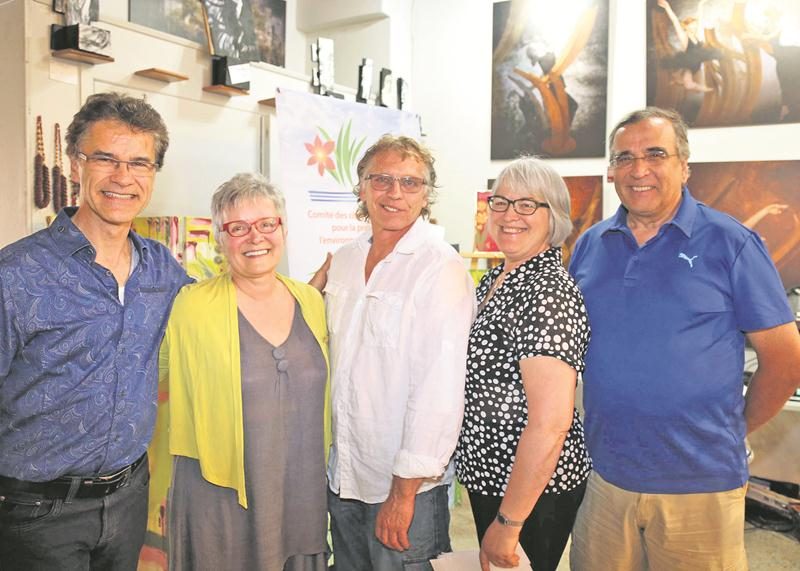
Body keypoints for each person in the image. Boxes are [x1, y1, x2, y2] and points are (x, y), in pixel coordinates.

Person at [568, 107, 800, 570]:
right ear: (612, 170)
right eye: (625, 157)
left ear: (683, 165)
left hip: (700, 485)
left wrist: (736, 427)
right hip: (604, 479)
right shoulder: (590, 245)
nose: (639, 169)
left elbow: (786, 358)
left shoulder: (731, 243)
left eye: (655, 154)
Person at [0, 92, 190, 570]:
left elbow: (221, 312)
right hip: (35, 512)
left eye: (139, 163)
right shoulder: (17, 273)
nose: (123, 177)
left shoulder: (161, 269)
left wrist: (301, 295)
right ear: (74, 164)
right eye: (105, 158)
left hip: (129, 502)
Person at [157, 173, 330, 570]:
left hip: (299, 497)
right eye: (238, 227)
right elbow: (142, 376)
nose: (255, 237)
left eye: (266, 224)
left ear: (282, 229)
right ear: (221, 237)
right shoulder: (190, 307)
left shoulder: (311, 301)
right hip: (218, 498)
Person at [324, 135, 475, 570]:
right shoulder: (346, 260)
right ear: (362, 187)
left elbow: (439, 388)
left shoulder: (439, 266)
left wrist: (404, 492)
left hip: (404, 488)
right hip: (345, 476)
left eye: (410, 183)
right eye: (383, 180)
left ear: (427, 194)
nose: (395, 193)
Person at [456, 157, 592, 571]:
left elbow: (550, 423)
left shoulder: (547, 293)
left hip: (531, 492)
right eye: (500, 202)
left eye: (527, 205)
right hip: (492, 477)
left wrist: (509, 521)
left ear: (554, 217)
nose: (510, 215)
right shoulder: (497, 278)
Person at [657, 0, 721, 93]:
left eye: (695, 25)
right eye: (693, 25)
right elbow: (675, 21)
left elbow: (700, 18)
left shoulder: (697, 36)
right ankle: (707, 89)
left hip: (696, 63)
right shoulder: (684, 38)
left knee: (688, 81)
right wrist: (667, 7)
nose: (695, 26)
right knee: (688, 84)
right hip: (688, 63)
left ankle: (678, 78)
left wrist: (701, 5)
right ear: (687, 28)